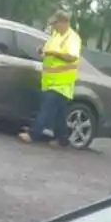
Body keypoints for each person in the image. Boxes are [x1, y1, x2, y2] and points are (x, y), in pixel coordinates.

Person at [21, 8, 83, 147]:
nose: (54, 26)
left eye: (55, 23)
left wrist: (54, 53)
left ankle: (33, 134)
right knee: (59, 114)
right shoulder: (55, 35)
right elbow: (48, 53)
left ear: (63, 22)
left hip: (62, 83)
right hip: (50, 81)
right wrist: (42, 51)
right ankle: (62, 139)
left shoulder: (72, 38)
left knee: (46, 109)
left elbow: (72, 56)